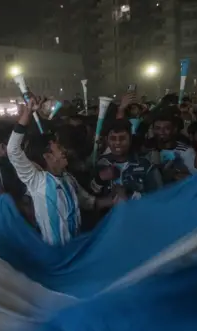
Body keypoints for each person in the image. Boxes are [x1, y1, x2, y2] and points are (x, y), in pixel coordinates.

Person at [7, 97, 116, 245]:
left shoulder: (69, 180)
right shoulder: (37, 180)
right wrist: (27, 113)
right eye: (58, 148)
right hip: (53, 255)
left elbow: (90, 203)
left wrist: (115, 202)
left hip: (74, 251)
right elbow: (13, 150)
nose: (64, 151)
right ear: (47, 156)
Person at [90, 119, 163, 198]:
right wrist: (99, 179)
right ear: (107, 140)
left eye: (122, 138)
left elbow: (159, 198)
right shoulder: (101, 163)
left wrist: (130, 196)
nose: (117, 143)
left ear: (130, 139)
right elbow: (89, 200)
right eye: (113, 139)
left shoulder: (147, 166)